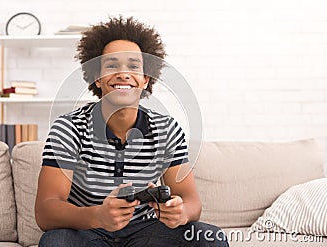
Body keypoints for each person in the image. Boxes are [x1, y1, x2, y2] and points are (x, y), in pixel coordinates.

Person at [35, 16, 229, 247]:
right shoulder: (69, 128)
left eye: (134, 66)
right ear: (97, 78)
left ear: (146, 79)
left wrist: (180, 212)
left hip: (147, 232)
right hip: (88, 230)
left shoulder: (166, 129)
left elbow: (191, 202)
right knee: (56, 241)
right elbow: (46, 211)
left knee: (209, 238)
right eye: (112, 65)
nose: (123, 74)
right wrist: (98, 216)